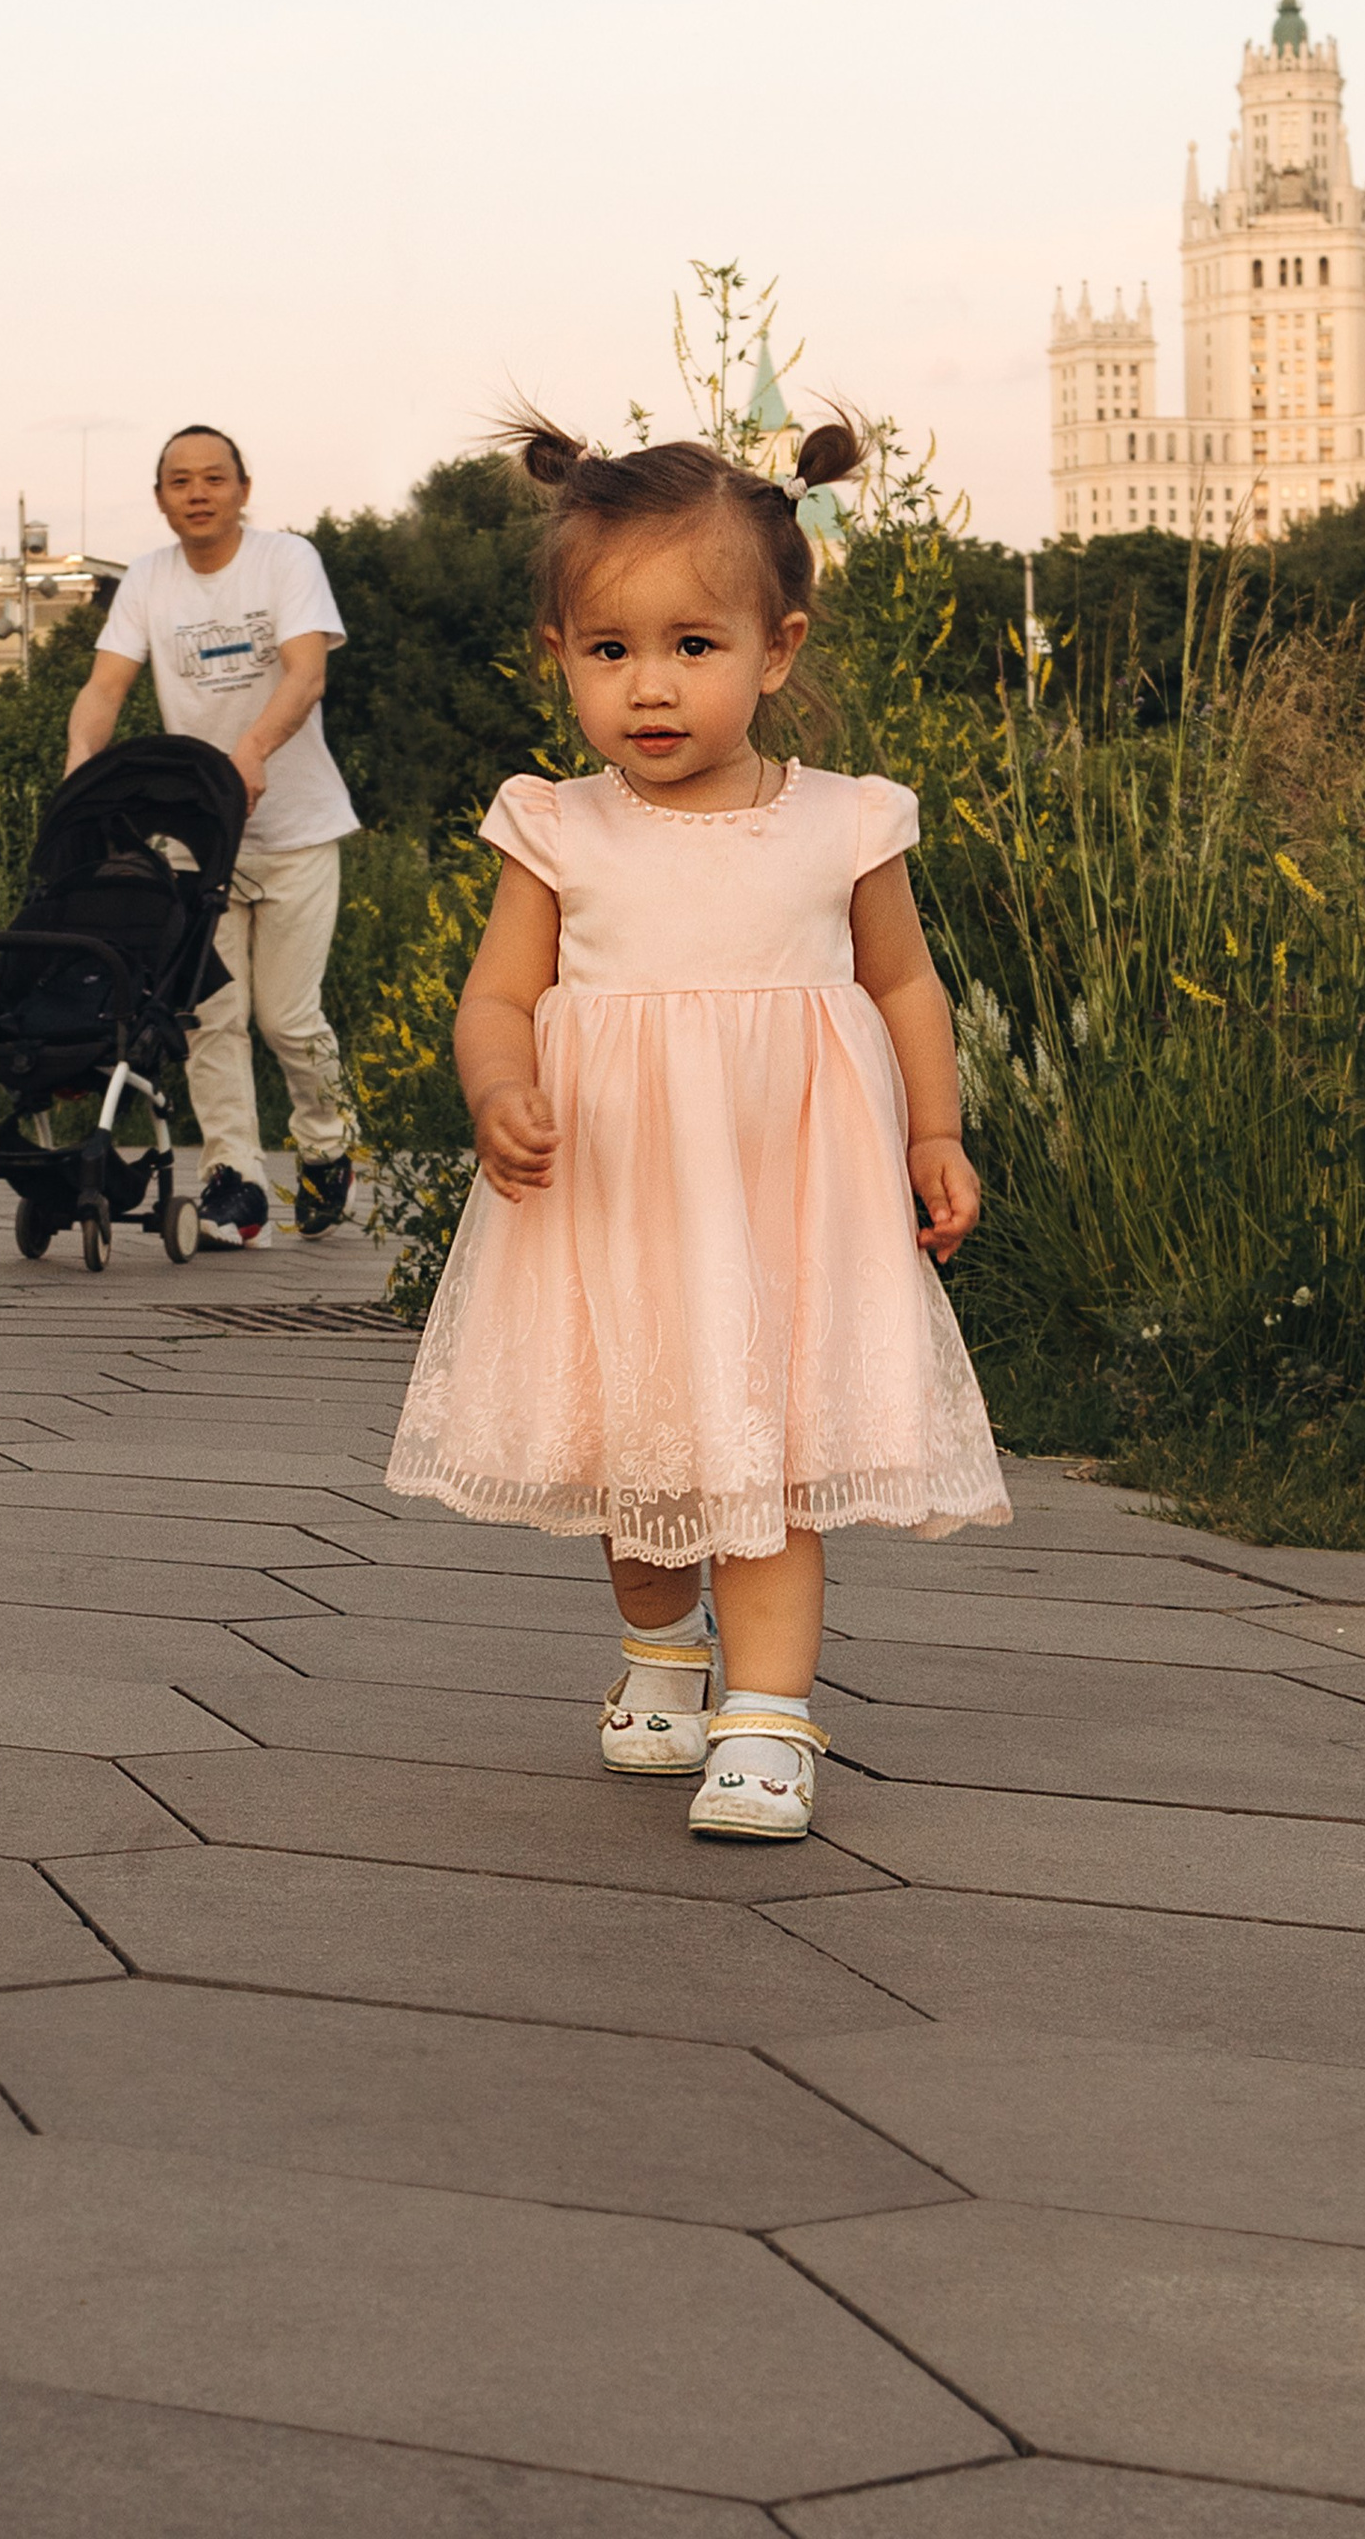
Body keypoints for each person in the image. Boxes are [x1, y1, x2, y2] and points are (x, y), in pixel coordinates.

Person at [385, 416, 1008, 1840]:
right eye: (610, 653)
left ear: (775, 649)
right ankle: (664, 1656)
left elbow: (902, 981)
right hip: (621, 1198)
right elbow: (500, 998)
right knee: (642, 1462)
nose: (649, 689)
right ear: (561, 656)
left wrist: (935, 1131)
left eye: (693, 648)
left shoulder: (843, 821)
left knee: (765, 1457)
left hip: (788, 1197)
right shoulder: (556, 827)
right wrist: (498, 1090)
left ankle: (772, 1718)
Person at [66, 425, 359, 1248]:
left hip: (294, 830)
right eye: (180, 481)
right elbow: (104, 688)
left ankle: (327, 1144)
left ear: (242, 488)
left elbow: (308, 672)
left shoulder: (284, 561)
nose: (198, 493)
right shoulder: (148, 582)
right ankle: (233, 1179)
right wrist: (79, 768)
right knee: (209, 1016)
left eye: (215, 479)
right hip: (195, 840)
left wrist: (252, 752)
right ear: (161, 498)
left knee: (287, 1019)